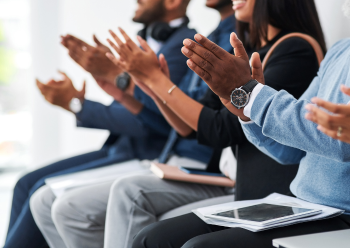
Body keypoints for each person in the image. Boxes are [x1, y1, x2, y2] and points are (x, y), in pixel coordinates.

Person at [131, 0, 350, 247]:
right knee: (151, 238)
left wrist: (250, 94)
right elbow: (289, 151)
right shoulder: (340, 50)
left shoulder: (296, 48)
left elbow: (340, 142)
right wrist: (246, 113)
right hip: (303, 202)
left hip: (341, 212)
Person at [29, 1, 237, 248]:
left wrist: (115, 85)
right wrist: (123, 88)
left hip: (163, 154)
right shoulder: (207, 37)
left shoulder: (189, 45)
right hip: (159, 153)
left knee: (52, 198)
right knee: (40, 196)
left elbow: (175, 124)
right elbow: (179, 121)